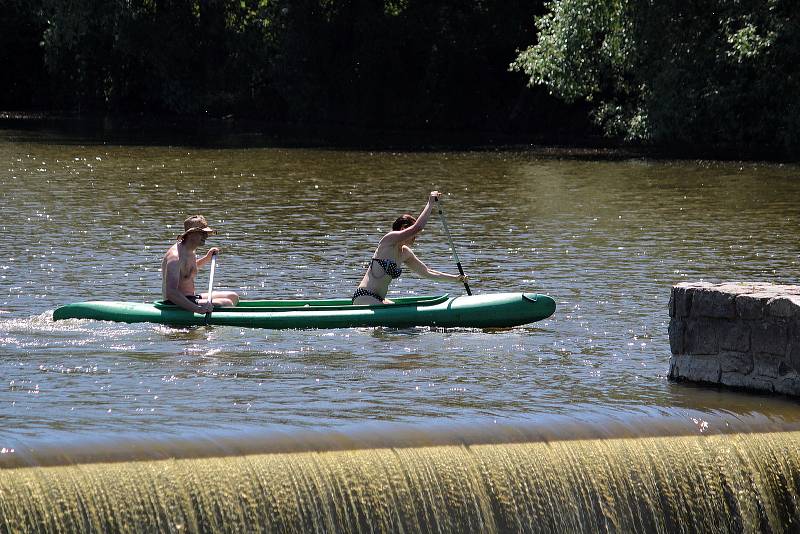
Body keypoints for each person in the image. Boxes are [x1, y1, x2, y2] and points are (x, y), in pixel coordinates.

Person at [353, 191, 467, 305]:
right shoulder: (389, 239)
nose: (415, 238)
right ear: (403, 228)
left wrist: (456, 278)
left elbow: (427, 272)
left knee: (396, 310)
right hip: (365, 296)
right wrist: (430, 203)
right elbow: (418, 227)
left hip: (379, 299)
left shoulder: (405, 253)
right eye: (414, 234)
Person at [161, 215, 239, 313]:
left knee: (233, 296)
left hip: (191, 297)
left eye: (205, 233)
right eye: (201, 233)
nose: (206, 236)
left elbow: (186, 271)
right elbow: (171, 293)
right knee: (227, 303)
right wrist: (197, 309)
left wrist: (207, 258)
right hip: (175, 303)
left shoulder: (190, 250)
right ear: (189, 234)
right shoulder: (175, 257)